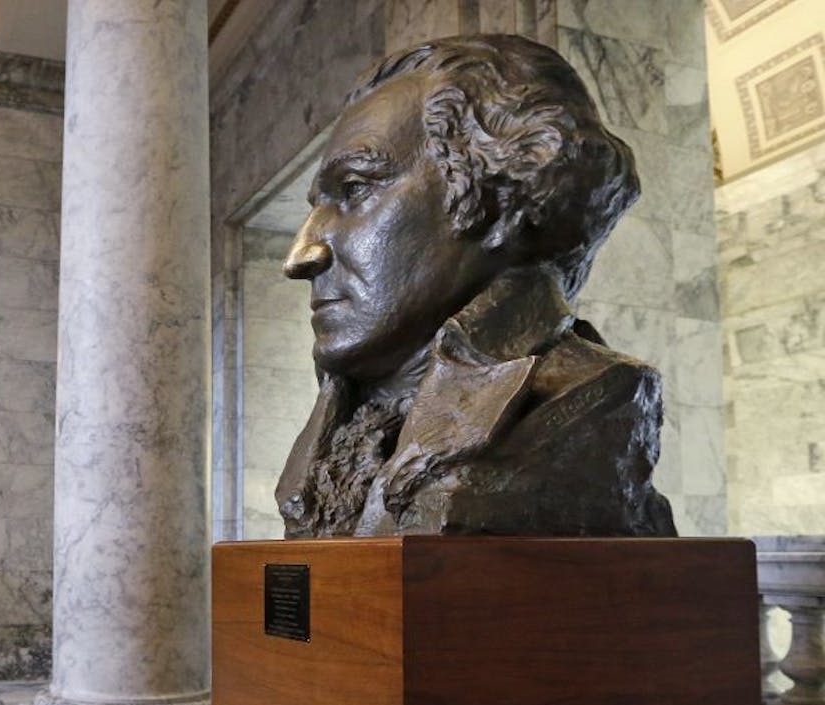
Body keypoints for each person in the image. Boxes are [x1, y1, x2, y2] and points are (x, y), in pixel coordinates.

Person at [276, 34, 675, 539]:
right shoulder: (344, 410)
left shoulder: (585, 398)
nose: (300, 257)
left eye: (355, 189)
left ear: (499, 199)